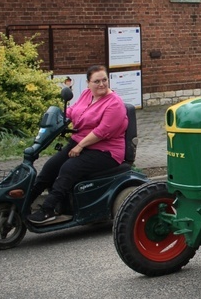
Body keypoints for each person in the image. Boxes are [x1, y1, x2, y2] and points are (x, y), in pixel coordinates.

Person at [27, 64, 128, 224]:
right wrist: (58, 119)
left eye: (104, 80)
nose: (101, 84)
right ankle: (27, 202)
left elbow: (102, 131)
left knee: (69, 168)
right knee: (51, 166)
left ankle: (48, 210)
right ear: (88, 83)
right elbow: (73, 111)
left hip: (105, 151)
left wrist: (80, 146)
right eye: (96, 81)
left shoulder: (114, 104)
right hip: (80, 142)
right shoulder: (87, 94)